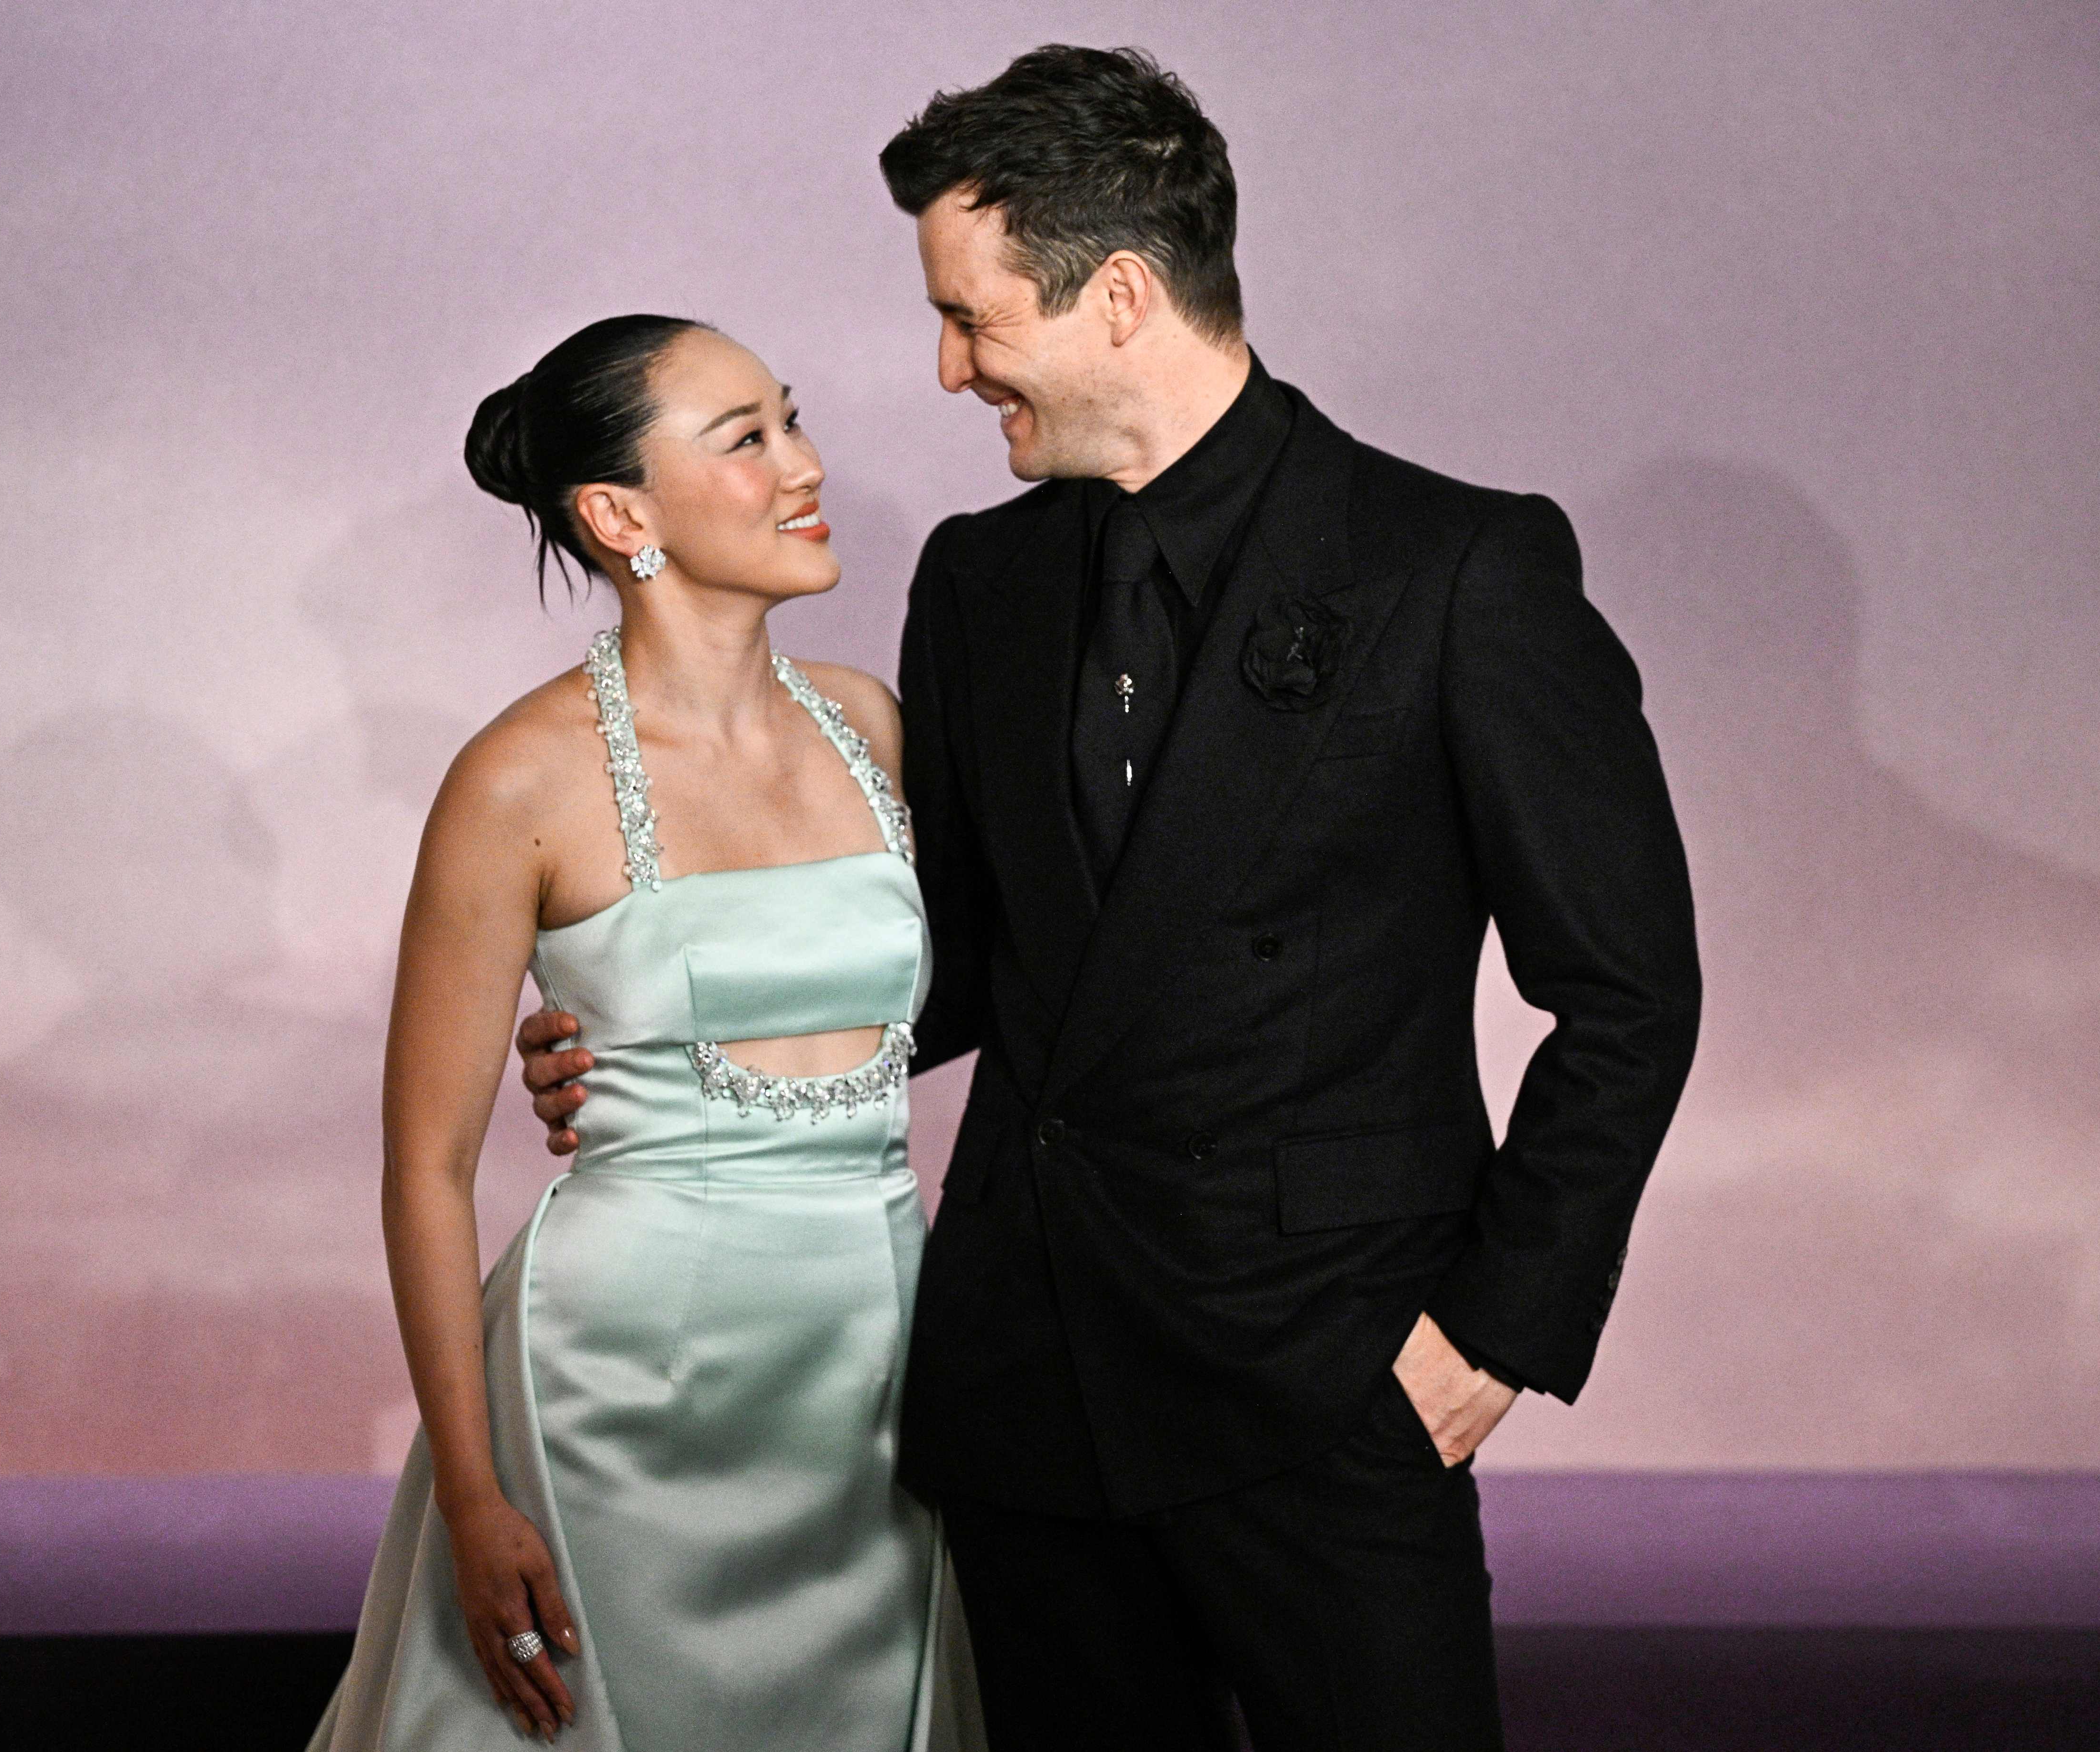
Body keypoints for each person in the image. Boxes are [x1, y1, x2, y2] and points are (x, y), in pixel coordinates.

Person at [518, 46, 1703, 1752]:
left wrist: (1492, 1332)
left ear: (1122, 296)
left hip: (1329, 1384)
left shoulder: (1455, 570)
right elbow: (972, 958)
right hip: (1032, 1385)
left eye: (973, 319)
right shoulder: (981, 576)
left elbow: (1628, 994)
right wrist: (660, 1030)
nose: (943, 369)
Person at [311, 314, 979, 1751]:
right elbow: (424, 1168)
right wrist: (477, 1497)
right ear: (619, 515)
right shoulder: (514, 778)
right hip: (615, 1390)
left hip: (873, 1379)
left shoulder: (875, 725)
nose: (806, 467)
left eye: (790, 420)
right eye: (746, 440)